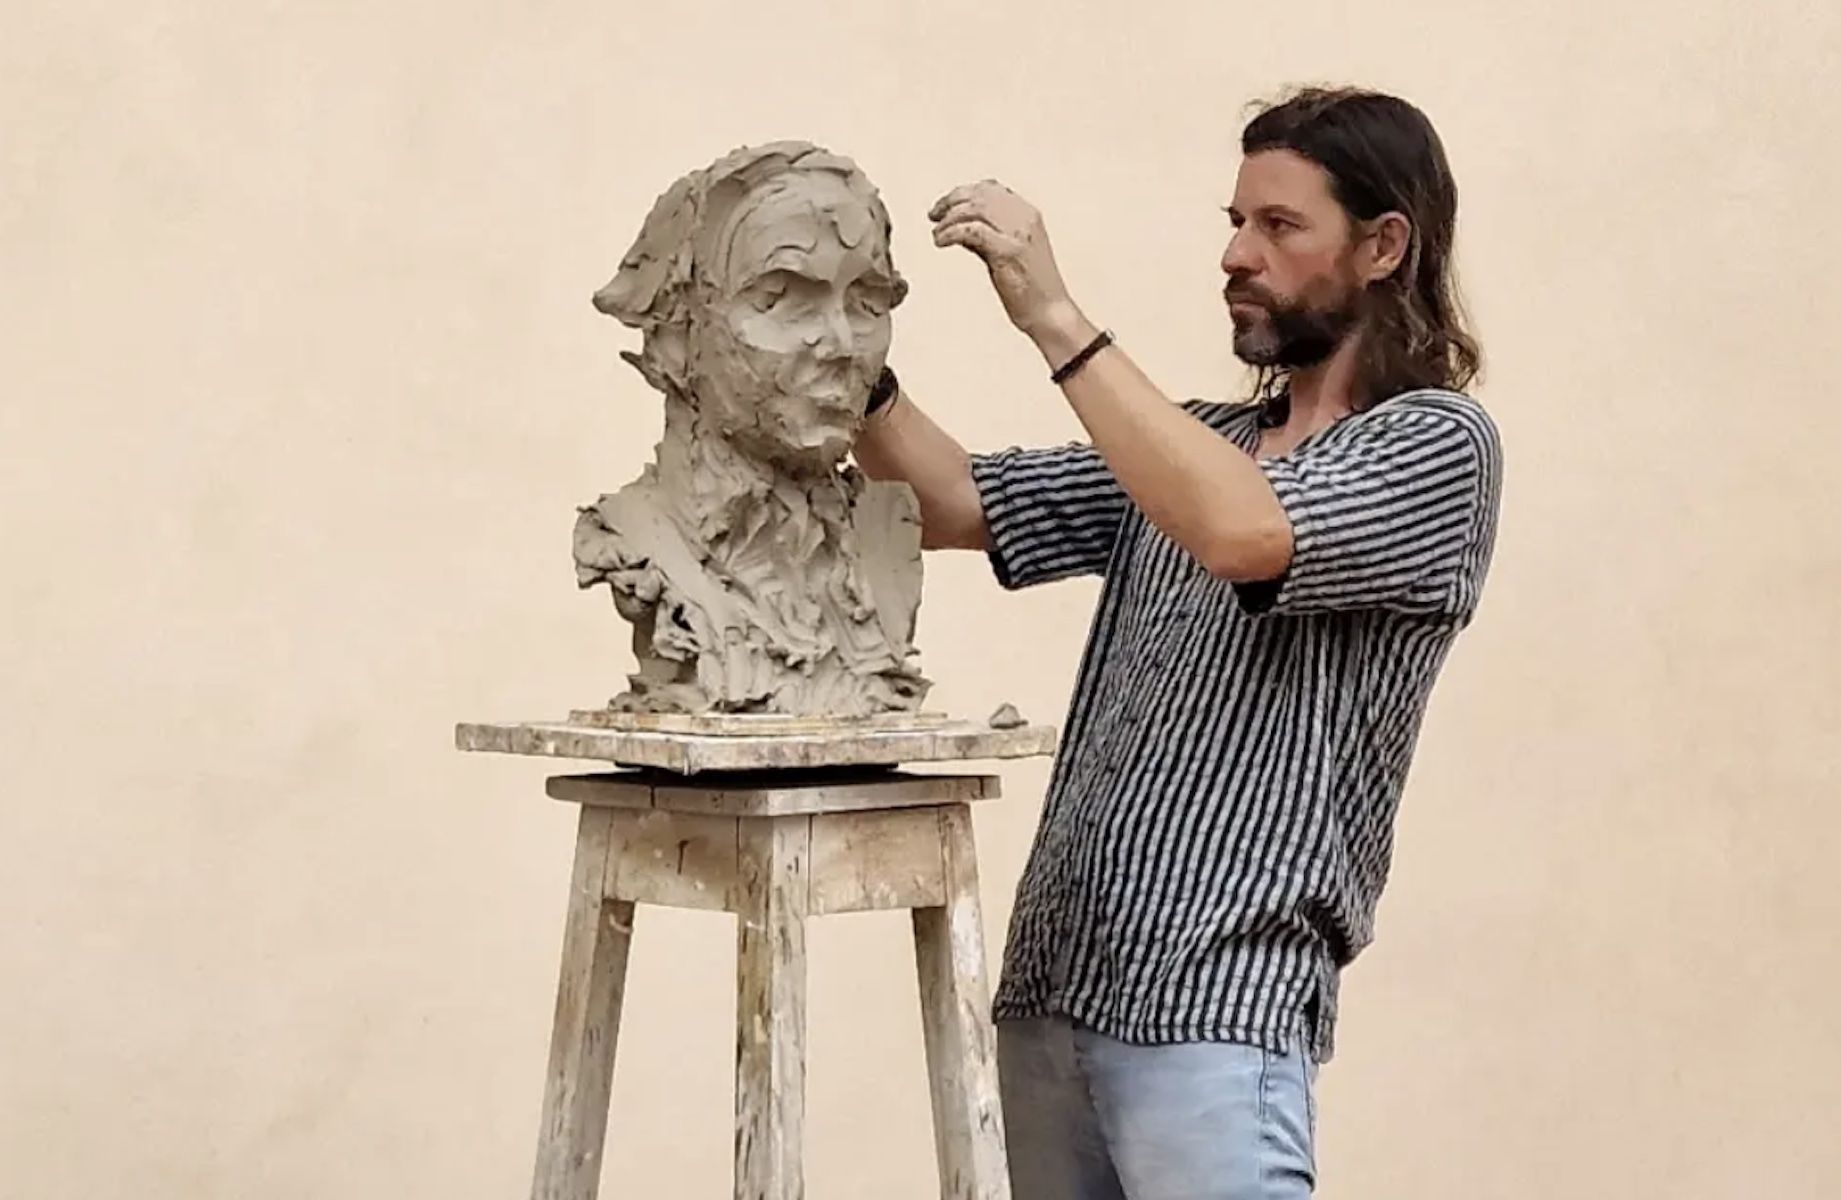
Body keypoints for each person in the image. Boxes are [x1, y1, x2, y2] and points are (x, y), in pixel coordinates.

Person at [854, 86, 1503, 1199]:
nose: (1234, 255)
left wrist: (1053, 316)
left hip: (1213, 1019)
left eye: (1279, 226)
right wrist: (839, 353)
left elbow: (1243, 530)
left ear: (1384, 244)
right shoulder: (1196, 442)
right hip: (1051, 1001)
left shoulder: (1436, 449)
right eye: (1233, 221)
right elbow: (955, 502)